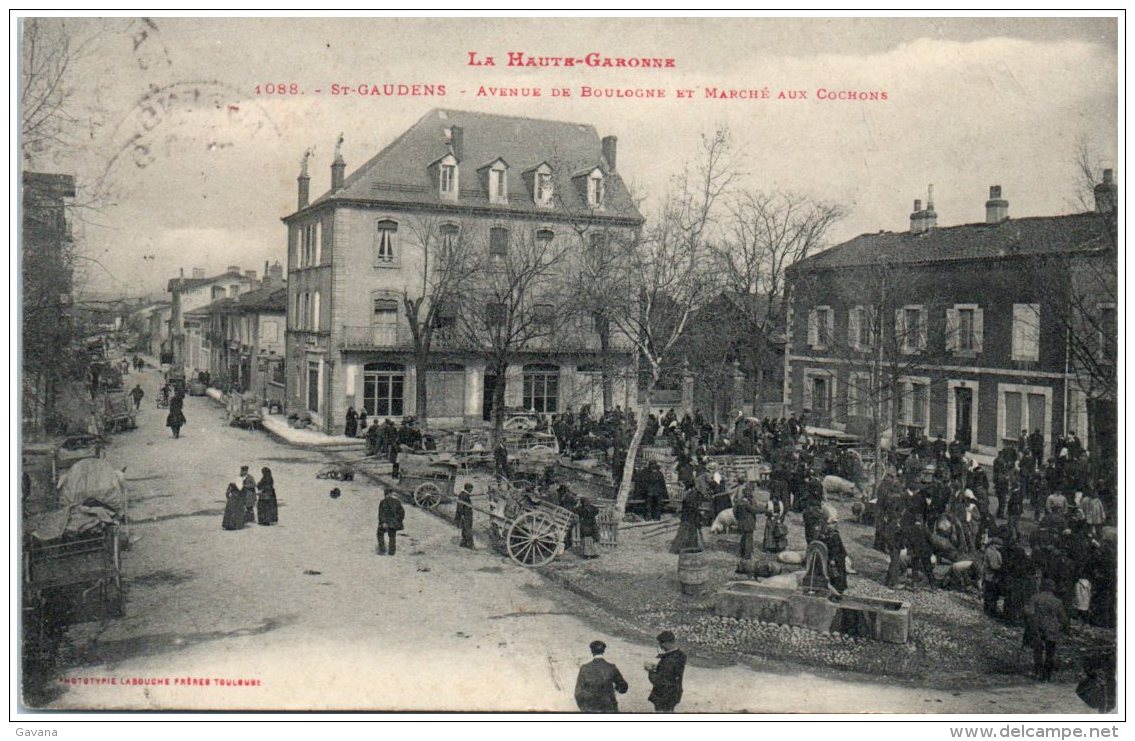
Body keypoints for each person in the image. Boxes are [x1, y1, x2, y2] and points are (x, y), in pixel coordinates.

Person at [1024, 579, 1069, 682]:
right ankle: (1047, 676)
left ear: (1042, 587)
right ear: (1053, 588)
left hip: (1037, 627)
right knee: (1050, 652)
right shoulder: (1057, 602)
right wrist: (1062, 627)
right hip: (1052, 629)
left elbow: (1029, 612)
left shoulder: (1035, 598)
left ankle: (1037, 672)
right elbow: (1063, 619)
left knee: (1037, 651)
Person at [574, 640, 629, 713]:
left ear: (592, 652)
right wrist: (616, 687)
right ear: (603, 651)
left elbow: (578, 693)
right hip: (609, 709)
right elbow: (623, 688)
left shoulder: (584, 668)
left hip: (590, 709)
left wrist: (584, 708)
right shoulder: (611, 668)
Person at [645, 630, 686, 713]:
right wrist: (659, 666)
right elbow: (672, 671)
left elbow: (657, 681)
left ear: (666, 643)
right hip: (675, 693)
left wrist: (650, 670)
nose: (660, 645)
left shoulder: (668, 660)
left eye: (661, 643)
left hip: (663, 695)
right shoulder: (681, 655)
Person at [669, 487, 703, 554]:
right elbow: (694, 508)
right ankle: (678, 548)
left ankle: (691, 546)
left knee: (690, 530)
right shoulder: (694, 496)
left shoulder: (691, 495)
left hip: (687, 516)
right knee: (685, 530)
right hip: (688, 516)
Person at [376, 488, 405, 555]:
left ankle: (382, 549)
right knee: (392, 536)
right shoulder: (397, 502)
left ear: (385, 494)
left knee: (379, 533)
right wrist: (398, 521)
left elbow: (381, 514)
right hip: (394, 523)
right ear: (391, 494)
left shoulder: (383, 502)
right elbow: (402, 513)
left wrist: (383, 522)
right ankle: (392, 551)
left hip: (385, 523)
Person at [733, 492, 758, 561]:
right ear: (748, 497)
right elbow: (755, 510)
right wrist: (766, 511)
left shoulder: (738, 503)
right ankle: (747, 555)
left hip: (741, 523)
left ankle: (741, 552)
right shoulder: (746, 504)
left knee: (743, 538)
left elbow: (734, 512)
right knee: (748, 539)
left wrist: (739, 519)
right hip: (749, 524)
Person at [456, 483, 475, 549]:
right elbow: (460, 506)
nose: (472, 490)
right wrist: (462, 514)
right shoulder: (464, 495)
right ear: (468, 488)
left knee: (465, 529)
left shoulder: (463, 494)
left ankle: (463, 542)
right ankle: (471, 545)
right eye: (471, 489)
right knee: (468, 529)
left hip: (466, 514)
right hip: (466, 515)